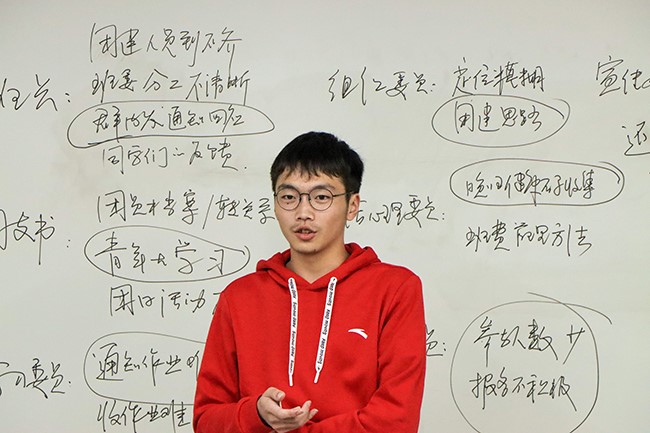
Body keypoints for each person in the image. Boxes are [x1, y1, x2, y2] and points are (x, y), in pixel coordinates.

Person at [193, 131, 426, 433]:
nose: (303, 213)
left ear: (352, 205)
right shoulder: (239, 297)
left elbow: (396, 420)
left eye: (321, 197)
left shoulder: (395, 289)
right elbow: (206, 420)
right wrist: (256, 415)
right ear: (275, 204)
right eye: (289, 197)